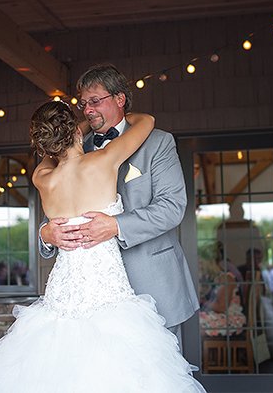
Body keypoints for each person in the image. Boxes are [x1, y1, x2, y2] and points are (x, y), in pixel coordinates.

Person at [0, 101, 203, 392]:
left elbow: (48, 159)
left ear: (45, 144)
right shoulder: (104, 160)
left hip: (62, 295)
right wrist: (88, 122)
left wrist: (61, 137)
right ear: (75, 132)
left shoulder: (42, 179)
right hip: (108, 291)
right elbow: (146, 121)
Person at [38, 64, 199, 340]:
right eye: (83, 104)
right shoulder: (73, 148)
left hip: (153, 286)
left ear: (120, 99)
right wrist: (45, 233)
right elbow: (57, 209)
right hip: (88, 300)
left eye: (95, 101)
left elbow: (171, 207)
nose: (87, 110)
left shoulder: (158, 143)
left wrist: (116, 226)